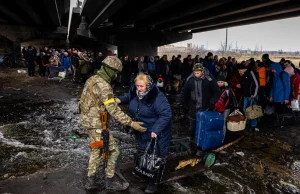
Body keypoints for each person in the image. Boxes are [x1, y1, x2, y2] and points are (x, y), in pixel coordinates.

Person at [79, 56, 147, 191]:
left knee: (96, 150)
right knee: (115, 151)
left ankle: (90, 181)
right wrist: (131, 123)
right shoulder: (104, 86)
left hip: (89, 122)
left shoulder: (92, 79)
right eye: (115, 72)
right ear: (110, 70)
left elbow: (84, 101)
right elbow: (114, 110)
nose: (116, 75)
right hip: (97, 124)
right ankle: (110, 181)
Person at [115, 73, 172, 193]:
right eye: (137, 86)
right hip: (142, 130)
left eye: (142, 86)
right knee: (143, 151)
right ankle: (145, 173)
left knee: (156, 156)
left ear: (148, 85)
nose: (139, 89)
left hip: (157, 132)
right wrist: (119, 99)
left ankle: (154, 182)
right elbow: (129, 96)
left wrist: (156, 130)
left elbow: (166, 114)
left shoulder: (157, 97)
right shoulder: (135, 92)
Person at [178, 63, 221, 155]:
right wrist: (180, 103)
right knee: (192, 128)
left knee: (204, 128)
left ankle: (204, 147)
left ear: (202, 71)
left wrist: (212, 102)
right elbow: (184, 92)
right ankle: (192, 145)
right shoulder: (190, 79)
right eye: (195, 73)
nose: (196, 74)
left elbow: (217, 92)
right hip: (193, 108)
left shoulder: (209, 79)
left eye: (198, 73)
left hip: (206, 108)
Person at [242, 61, 260, 132]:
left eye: (246, 63)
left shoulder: (252, 72)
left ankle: (253, 125)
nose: (245, 64)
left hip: (252, 95)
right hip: (246, 94)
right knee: (245, 110)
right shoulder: (246, 72)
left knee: (253, 110)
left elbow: (256, 84)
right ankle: (247, 123)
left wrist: (255, 94)